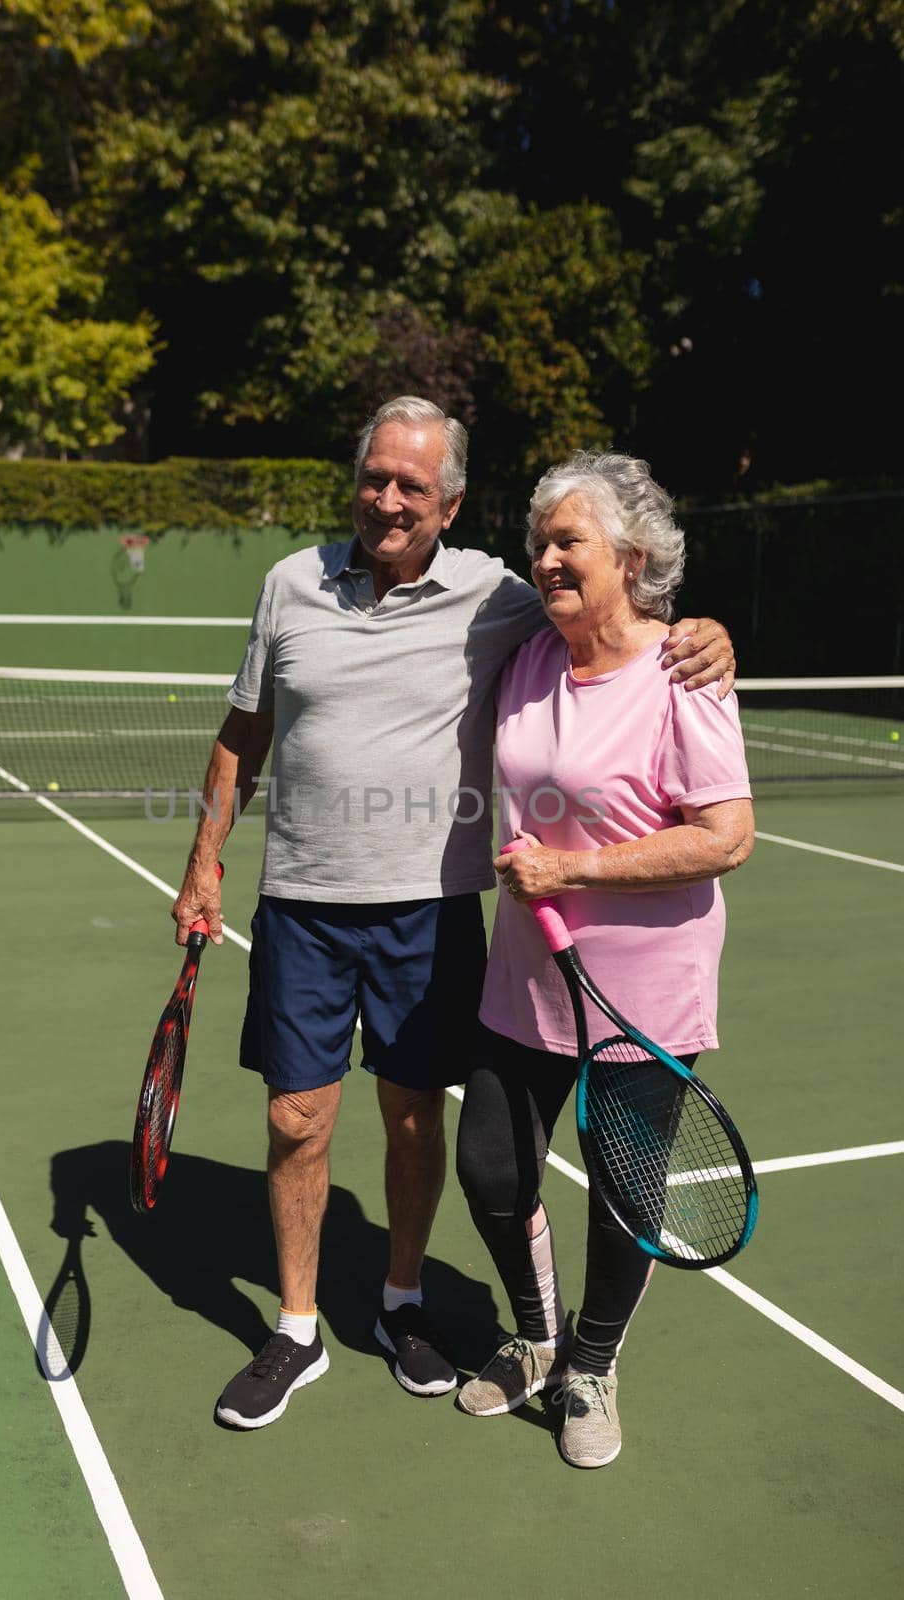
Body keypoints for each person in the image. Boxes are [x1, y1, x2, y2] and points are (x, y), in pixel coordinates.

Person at [170, 399, 735, 1431]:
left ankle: (406, 1306)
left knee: (416, 1117)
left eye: (411, 486)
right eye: (373, 476)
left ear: (450, 505)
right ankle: (296, 1329)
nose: (386, 498)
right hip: (301, 906)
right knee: (298, 1118)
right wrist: (202, 861)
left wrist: (706, 630)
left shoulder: (498, 599)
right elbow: (240, 734)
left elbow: (622, 611)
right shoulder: (293, 586)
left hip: (432, 921)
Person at [453, 450, 754, 1468]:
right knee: (489, 1164)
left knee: (624, 1194)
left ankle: (590, 1363)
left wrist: (571, 867)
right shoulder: (528, 654)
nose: (544, 559)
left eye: (565, 541)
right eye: (537, 542)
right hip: (526, 975)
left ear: (629, 557)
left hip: (643, 987)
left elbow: (723, 836)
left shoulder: (682, 671)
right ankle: (535, 1336)